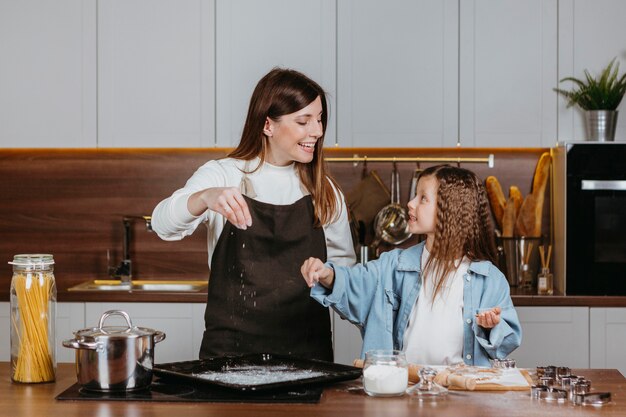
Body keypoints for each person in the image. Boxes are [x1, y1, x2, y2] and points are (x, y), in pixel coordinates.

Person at [152, 68, 356, 361]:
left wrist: (330, 275)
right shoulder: (223, 174)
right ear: (268, 125)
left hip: (308, 358)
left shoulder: (325, 191)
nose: (318, 131)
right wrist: (204, 197)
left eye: (320, 119)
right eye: (303, 121)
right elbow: (162, 224)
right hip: (228, 357)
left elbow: (347, 280)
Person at [301, 165, 522, 366]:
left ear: (450, 210)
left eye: (423, 198)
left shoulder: (490, 279)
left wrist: (492, 326)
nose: (411, 203)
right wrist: (327, 274)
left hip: (461, 396)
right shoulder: (393, 266)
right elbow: (354, 283)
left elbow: (507, 342)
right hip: (402, 390)